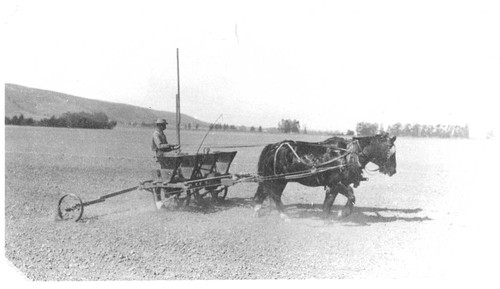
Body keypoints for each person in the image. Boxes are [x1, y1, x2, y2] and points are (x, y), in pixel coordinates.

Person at [151, 118, 179, 209]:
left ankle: (170, 191)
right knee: (168, 172)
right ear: (160, 125)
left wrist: (173, 148)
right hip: (161, 155)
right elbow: (159, 146)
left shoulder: (162, 134)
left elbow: (166, 147)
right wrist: (170, 145)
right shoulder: (156, 134)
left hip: (165, 154)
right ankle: (167, 192)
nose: (165, 126)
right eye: (164, 125)